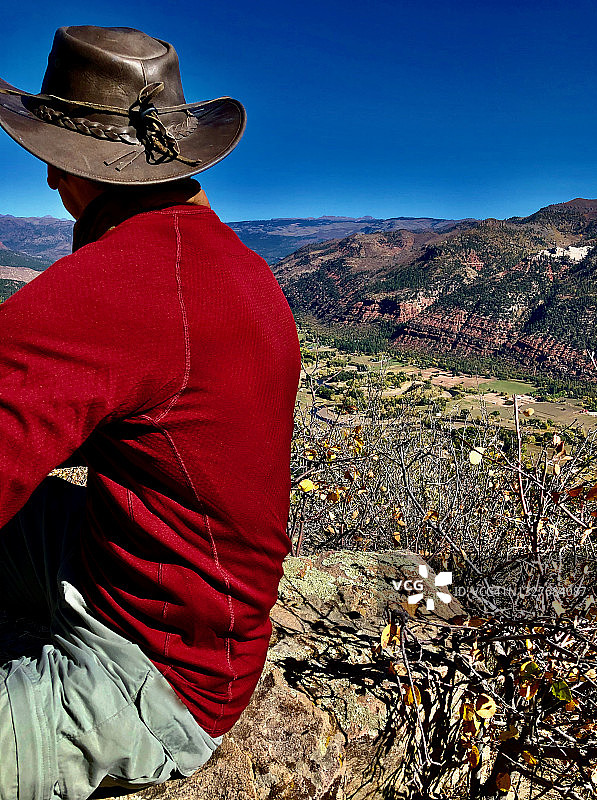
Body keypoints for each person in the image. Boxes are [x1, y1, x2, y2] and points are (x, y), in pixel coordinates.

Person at [0, 25, 300, 800]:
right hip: (174, 604)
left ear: (79, 164)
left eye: (53, 157)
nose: (47, 184)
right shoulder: (240, 272)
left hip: (155, 684)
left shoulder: (109, 287)